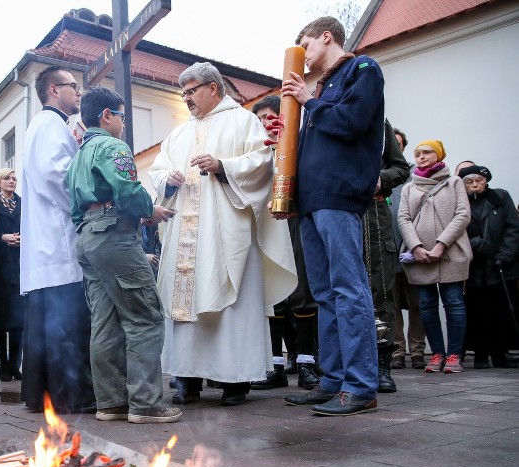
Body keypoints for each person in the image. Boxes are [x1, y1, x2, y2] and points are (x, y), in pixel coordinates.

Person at [149, 62, 296, 407]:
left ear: (213, 88)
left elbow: (263, 163)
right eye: (183, 92)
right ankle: (187, 378)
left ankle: (234, 382)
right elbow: (157, 168)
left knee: (231, 301)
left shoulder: (243, 120)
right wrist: (165, 179)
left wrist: (224, 166)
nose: (186, 98)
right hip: (185, 234)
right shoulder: (178, 134)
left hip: (226, 232)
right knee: (185, 301)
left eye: (191, 91)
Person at [277, 17, 384, 415]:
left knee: (348, 289)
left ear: (327, 38)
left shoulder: (363, 69)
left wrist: (308, 102)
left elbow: (352, 123)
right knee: (323, 294)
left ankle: (361, 386)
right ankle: (333, 380)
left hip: (338, 197)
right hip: (310, 202)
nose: (302, 54)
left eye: (306, 44)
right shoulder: (319, 89)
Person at [66, 86, 182, 423]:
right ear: (106, 115)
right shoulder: (112, 146)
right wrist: (150, 211)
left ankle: (111, 403)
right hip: (114, 234)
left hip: (87, 237)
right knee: (144, 316)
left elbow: (75, 209)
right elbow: (129, 192)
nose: (123, 123)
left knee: (104, 322)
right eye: (122, 116)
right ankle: (146, 404)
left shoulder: (77, 157)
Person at [18, 65, 97, 414]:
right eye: (73, 86)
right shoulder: (50, 125)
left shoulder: (49, 126)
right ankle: (71, 396)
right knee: (65, 324)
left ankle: (43, 395)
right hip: (57, 240)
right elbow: (57, 175)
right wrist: (87, 206)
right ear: (54, 90)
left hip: (47, 244)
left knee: (47, 326)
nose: (78, 93)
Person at [249, 95, 321, 391]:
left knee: (302, 293)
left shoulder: (296, 143)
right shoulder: (253, 149)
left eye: (269, 117)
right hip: (265, 226)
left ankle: (306, 363)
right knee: (273, 298)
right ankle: (275, 367)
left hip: (294, 222)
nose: (265, 123)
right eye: (260, 119)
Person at [397, 140, 471, 373]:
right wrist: (416, 247)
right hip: (420, 257)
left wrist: (441, 245)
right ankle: (437, 353)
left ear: (438, 155)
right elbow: (403, 219)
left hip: (451, 253)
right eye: (417, 153)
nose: (421, 156)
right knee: (426, 305)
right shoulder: (409, 187)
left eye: (427, 152)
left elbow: (462, 215)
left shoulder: (454, 182)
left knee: (454, 302)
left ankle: (455, 356)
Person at [460, 164, 519, 368]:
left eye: (479, 181)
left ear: (486, 181)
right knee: (476, 312)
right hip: (472, 267)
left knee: (500, 312)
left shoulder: (501, 198)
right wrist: (474, 244)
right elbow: (455, 229)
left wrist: (505, 255)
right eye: (469, 182)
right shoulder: (460, 203)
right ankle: (481, 356)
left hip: (499, 266)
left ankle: (500, 355)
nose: (475, 185)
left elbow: (513, 229)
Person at [368, 120, 410, 394]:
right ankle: (338, 366)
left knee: (379, 292)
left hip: (372, 215)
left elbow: (400, 167)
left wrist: (380, 179)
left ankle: (383, 366)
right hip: (332, 212)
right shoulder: (315, 113)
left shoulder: (378, 122)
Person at [389, 128, 427, 370]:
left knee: (417, 304)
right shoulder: (375, 172)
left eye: (398, 143)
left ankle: (417, 351)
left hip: (414, 250)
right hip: (388, 250)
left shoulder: (417, 177)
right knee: (390, 305)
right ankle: (397, 351)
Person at [0, 168, 24, 382]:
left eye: (14, 178)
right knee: (0, 316)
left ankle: (15, 363)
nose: (11, 181)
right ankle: (3, 362)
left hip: (20, 262)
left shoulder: (23, 203)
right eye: (7, 178)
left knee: (19, 318)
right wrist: (2, 237)